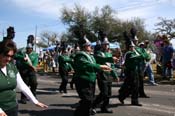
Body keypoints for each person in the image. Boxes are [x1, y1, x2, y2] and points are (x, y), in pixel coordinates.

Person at [0, 40, 48, 116]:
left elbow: (22, 85)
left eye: (11, 56)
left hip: (12, 108)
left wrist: (35, 101)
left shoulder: (11, 67)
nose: (8, 59)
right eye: (6, 55)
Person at [73, 36, 112, 116]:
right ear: (84, 47)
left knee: (89, 101)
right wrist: (100, 66)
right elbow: (87, 65)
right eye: (89, 45)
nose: (91, 47)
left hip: (91, 81)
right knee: (87, 100)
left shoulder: (90, 56)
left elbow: (95, 64)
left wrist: (102, 68)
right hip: (83, 80)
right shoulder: (80, 55)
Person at [92, 37, 119, 114]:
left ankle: (104, 107)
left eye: (107, 44)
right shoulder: (98, 53)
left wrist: (115, 76)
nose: (106, 46)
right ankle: (93, 106)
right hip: (102, 74)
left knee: (109, 94)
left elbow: (112, 66)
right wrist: (111, 58)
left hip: (109, 75)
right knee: (104, 93)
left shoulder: (109, 54)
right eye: (105, 44)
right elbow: (100, 60)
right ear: (102, 45)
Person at [118, 41, 142, 106]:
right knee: (129, 86)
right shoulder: (128, 53)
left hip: (135, 71)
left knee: (136, 86)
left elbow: (140, 58)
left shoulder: (135, 52)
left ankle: (135, 101)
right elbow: (128, 60)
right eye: (131, 47)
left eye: (133, 47)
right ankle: (121, 96)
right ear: (129, 48)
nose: (132, 48)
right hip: (129, 71)